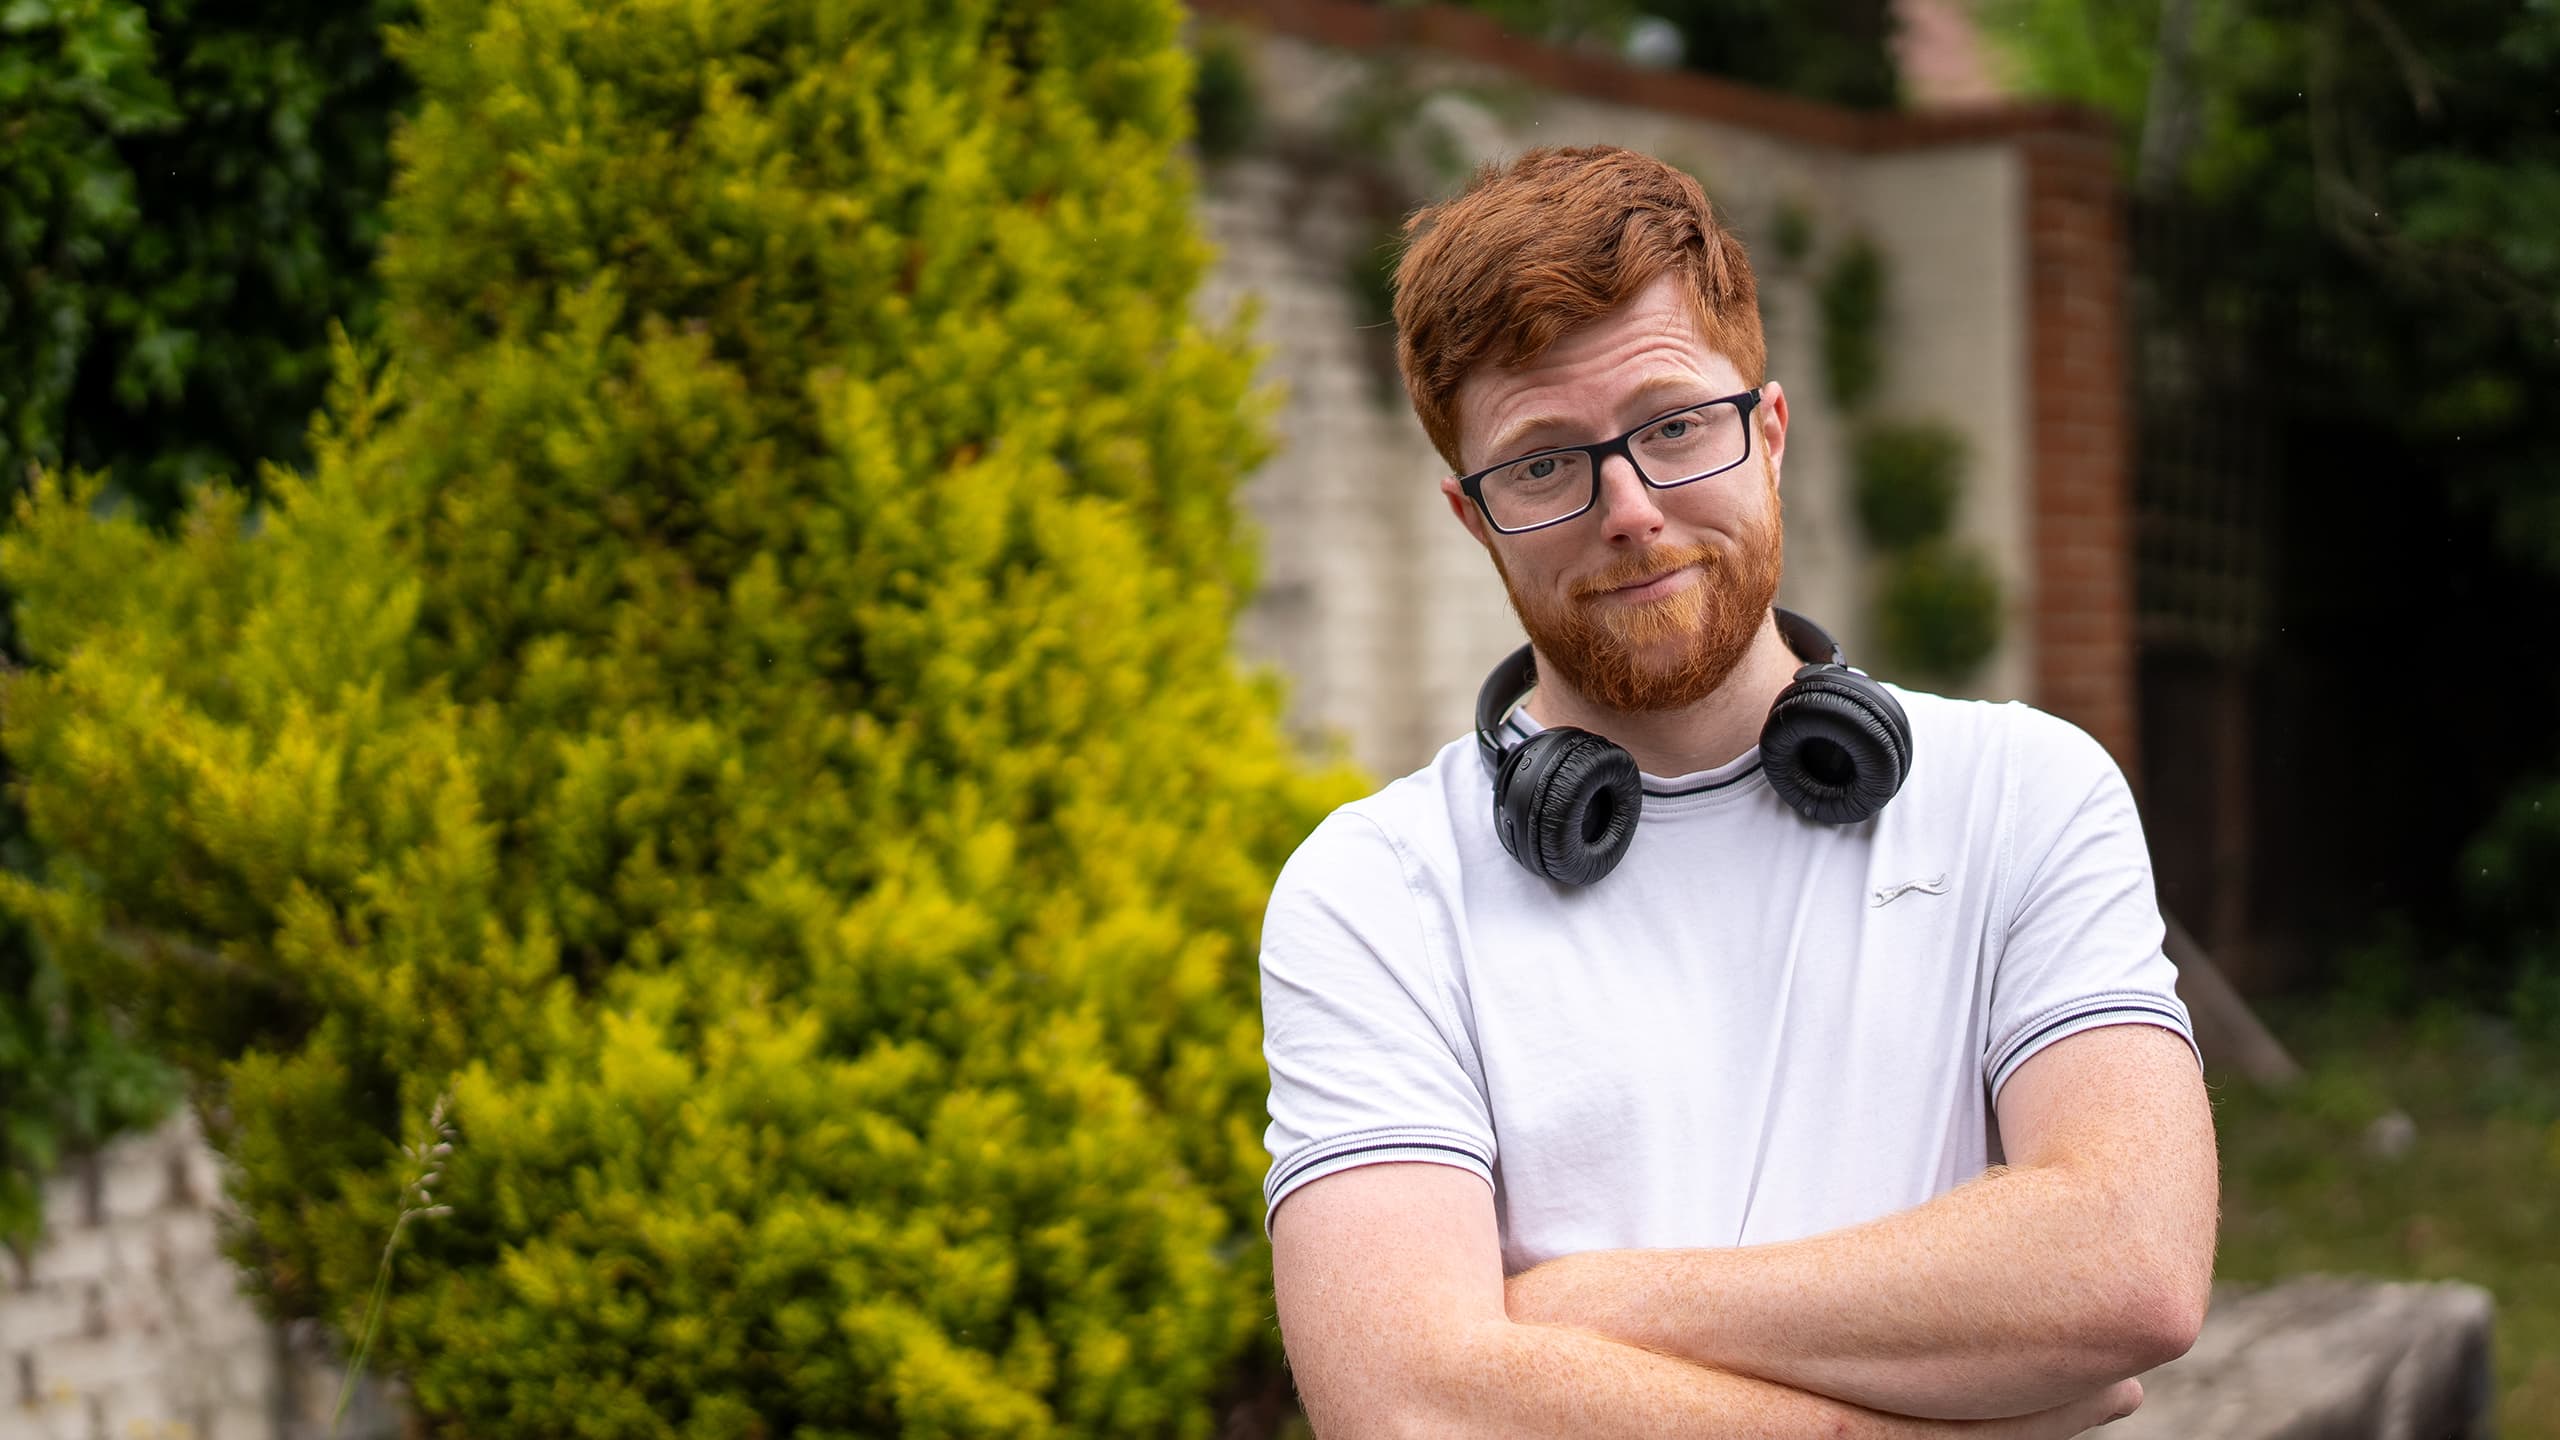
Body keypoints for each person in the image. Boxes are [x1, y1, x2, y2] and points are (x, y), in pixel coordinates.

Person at [1257, 145, 2217, 1438]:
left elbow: (2129, 1266)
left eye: (1672, 427)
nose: (1628, 509)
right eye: (1542, 464)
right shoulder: (1374, 894)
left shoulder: (2024, 792)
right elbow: (1408, 1406)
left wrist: (1575, 1308)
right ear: (1473, 518)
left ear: (1768, 433)